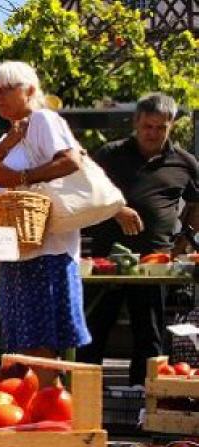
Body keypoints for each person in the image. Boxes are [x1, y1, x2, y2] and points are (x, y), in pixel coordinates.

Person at [0, 61, 90, 362]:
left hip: (47, 252)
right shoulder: (8, 138)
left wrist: (22, 177)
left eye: (8, 89)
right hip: (17, 253)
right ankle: (42, 390)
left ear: (31, 90)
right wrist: (9, 142)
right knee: (24, 347)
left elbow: (71, 161)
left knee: (40, 347)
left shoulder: (44, 120)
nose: (0, 97)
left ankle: (49, 390)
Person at [79, 93, 199, 384]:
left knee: (149, 333)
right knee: (94, 329)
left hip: (153, 263)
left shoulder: (184, 162)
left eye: (160, 128)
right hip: (106, 261)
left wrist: (185, 237)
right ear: (136, 122)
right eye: (147, 126)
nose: (153, 133)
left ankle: (145, 397)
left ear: (171, 126)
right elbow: (84, 190)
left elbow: (196, 203)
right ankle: (83, 392)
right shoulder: (110, 154)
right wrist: (116, 209)